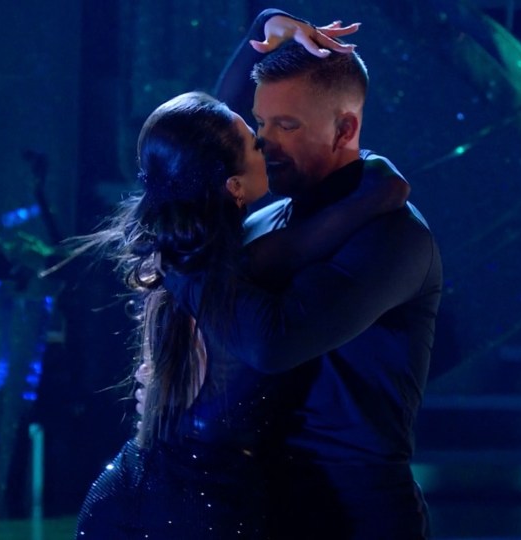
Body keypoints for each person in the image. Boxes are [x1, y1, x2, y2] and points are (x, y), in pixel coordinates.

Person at [157, 10, 444, 539]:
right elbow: (206, 152)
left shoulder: (392, 237)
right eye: (262, 124)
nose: (265, 142)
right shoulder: (268, 208)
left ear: (346, 129)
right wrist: (263, 29)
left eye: (286, 126)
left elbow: (274, 342)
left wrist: (180, 264)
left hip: (356, 514)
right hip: (263, 503)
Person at [75, 90, 409, 538]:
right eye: (255, 141)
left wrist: (268, 23)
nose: (266, 144)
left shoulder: (179, 248)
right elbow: (386, 190)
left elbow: (189, 131)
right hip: (201, 512)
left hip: (135, 491)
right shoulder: (240, 265)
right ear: (233, 187)